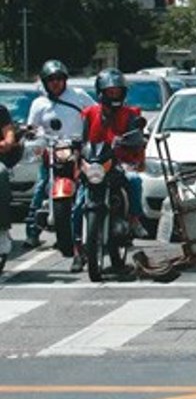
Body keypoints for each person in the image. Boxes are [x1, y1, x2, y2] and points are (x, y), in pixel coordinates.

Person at [72, 68, 146, 273]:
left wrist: (131, 141)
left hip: (120, 162)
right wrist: (77, 162)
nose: (114, 95)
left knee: (134, 180)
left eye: (117, 92)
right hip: (95, 165)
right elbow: (81, 141)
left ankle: (134, 219)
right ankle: (77, 250)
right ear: (101, 93)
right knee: (78, 205)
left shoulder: (131, 114)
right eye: (110, 92)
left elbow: (138, 138)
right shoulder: (89, 114)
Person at [24, 59, 93, 249]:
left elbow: (95, 113)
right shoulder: (39, 103)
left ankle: (84, 230)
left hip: (78, 149)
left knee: (87, 186)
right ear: (45, 82)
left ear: (65, 79)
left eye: (59, 78)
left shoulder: (78, 95)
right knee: (41, 186)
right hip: (52, 150)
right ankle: (33, 231)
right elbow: (32, 127)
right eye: (51, 79)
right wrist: (31, 133)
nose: (55, 82)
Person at [0, 103, 19, 266]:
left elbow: (9, 134)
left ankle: (2, 230)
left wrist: (7, 142)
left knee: (1, 173)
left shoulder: (1, 110)